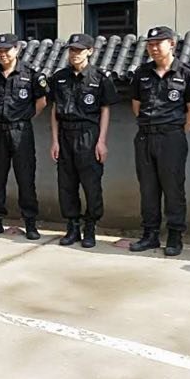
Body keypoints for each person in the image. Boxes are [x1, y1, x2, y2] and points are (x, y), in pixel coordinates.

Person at [129, 26, 190, 257]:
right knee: (148, 189)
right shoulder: (142, 73)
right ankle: (150, 234)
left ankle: (174, 235)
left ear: (171, 44)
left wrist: (175, 132)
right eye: (150, 45)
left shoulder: (186, 73)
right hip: (145, 136)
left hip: (172, 138)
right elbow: (136, 106)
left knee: (173, 189)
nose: (153, 48)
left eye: (157, 44)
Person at [48, 33, 118, 248]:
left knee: (91, 184)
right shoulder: (59, 77)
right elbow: (54, 111)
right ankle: (72, 227)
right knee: (66, 185)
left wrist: (101, 141)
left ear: (90, 51)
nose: (74, 54)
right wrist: (55, 141)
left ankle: (90, 227)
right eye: (72, 50)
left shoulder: (99, 77)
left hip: (89, 135)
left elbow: (105, 110)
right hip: (65, 135)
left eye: (79, 50)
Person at [0, 33, 48, 240]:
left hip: (21, 132)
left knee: (25, 177)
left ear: (17, 49)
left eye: (7, 50)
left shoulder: (30, 74)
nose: (3, 54)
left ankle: (30, 223)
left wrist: (23, 118)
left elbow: (41, 102)